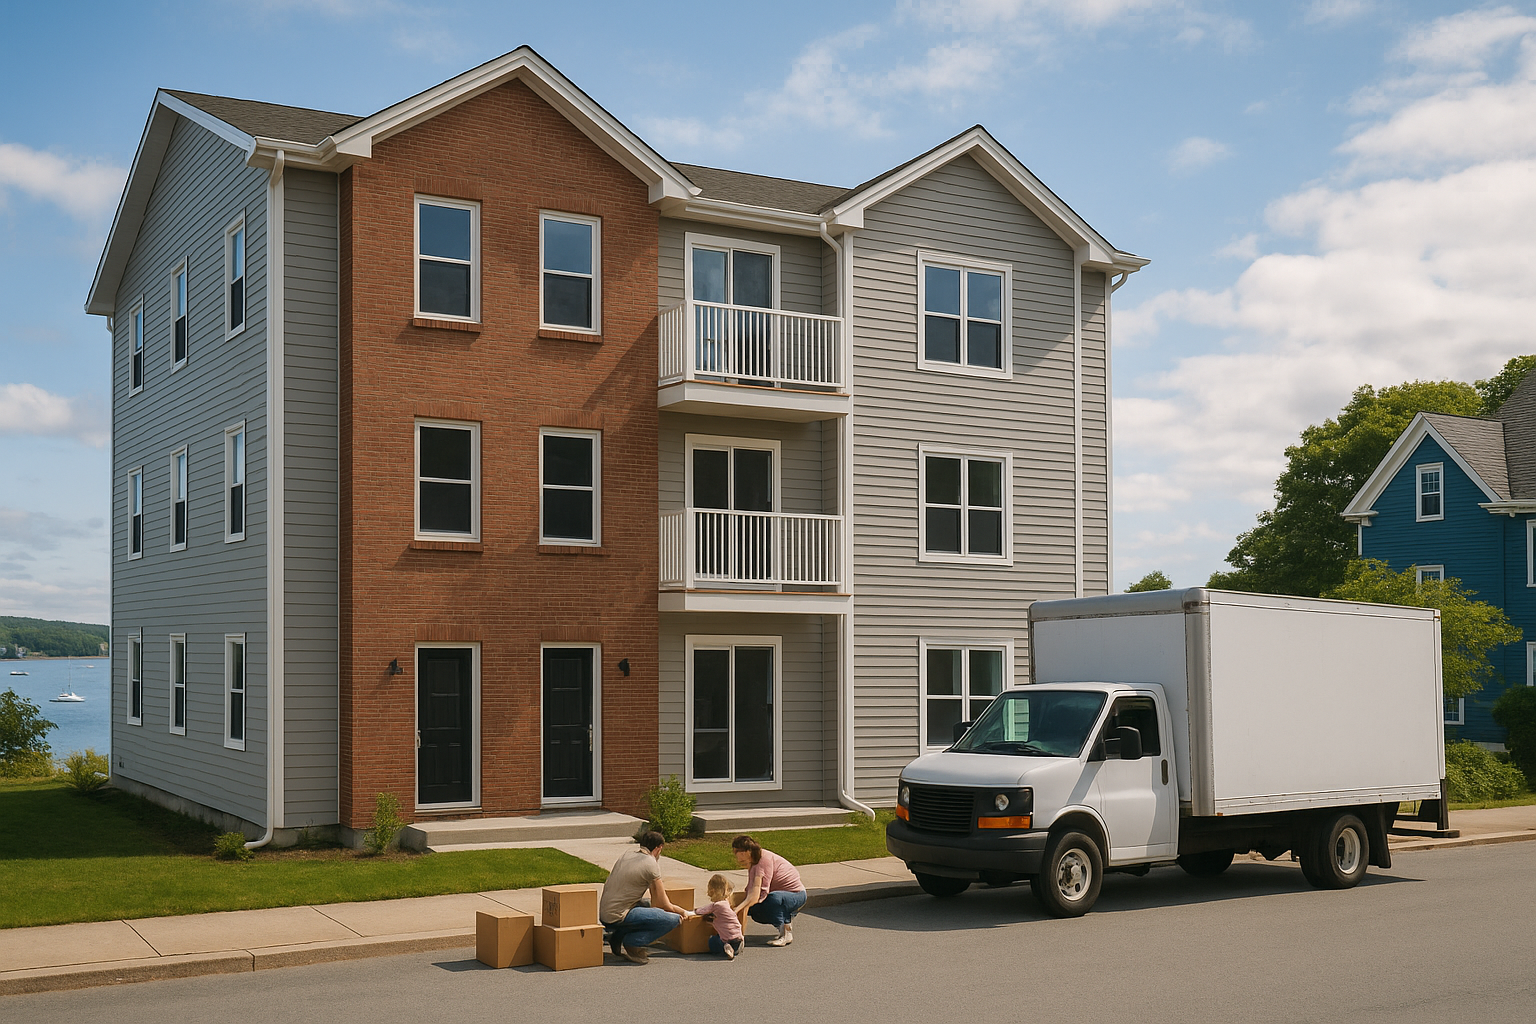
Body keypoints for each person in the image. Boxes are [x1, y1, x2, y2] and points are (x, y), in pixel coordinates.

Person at [600, 831, 691, 964]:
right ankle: (632, 943)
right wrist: (684, 913)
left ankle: (617, 936)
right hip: (619, 916)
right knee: (672, 919)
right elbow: (664, 904)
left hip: (605, 914)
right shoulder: (651, 864)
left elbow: (654, 902)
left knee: (648, 906)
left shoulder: (628, 855)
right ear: (658, 848)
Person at [731, 834, 806, 947]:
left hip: (796, 895)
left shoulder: (763, 861)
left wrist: (736, 910)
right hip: (781, 895)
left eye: (738, 852)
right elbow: (751, 890)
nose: (737, 857)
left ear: (746, 852)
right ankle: (785, 918)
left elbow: (756, 894)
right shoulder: (754, 860)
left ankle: (786, 933)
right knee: (756, 910)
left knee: (772, 900)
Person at [694, 873, 745, 959]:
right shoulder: (727, 904)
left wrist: (694, 911)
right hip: (738, 936)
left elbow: (700, 911)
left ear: (712, 891)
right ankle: (736, 947)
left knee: (712, 940)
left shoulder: (716, 905)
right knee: (726, 935)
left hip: (728, 939)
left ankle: (726, 946)